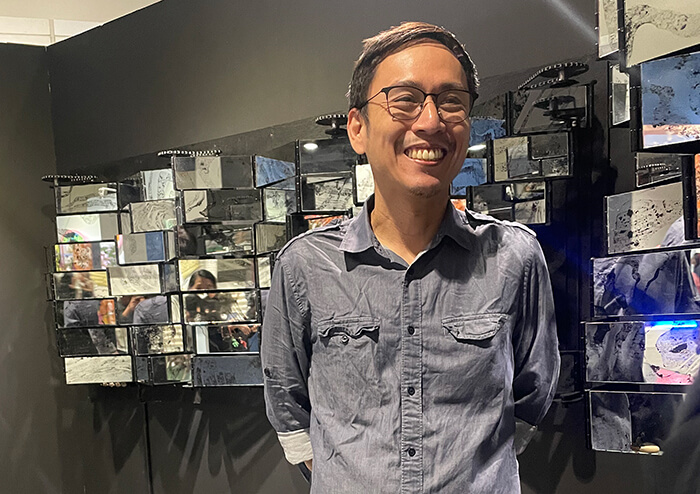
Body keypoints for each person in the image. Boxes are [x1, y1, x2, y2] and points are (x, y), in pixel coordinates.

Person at [261, 21, 559, 493]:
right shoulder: (305, 265)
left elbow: (533, 391)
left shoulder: (513, 256)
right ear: (357, 128)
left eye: (451, 101)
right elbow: (286, 400)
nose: (431, 121)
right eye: (404, 99)